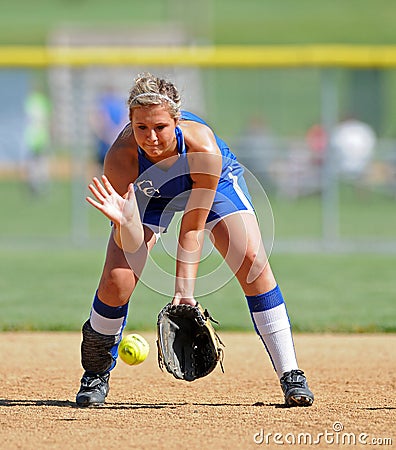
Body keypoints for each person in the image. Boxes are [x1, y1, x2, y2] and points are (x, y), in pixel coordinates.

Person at [76, 73, 314, 408]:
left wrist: (184, 293)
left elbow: (192, 227)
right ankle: (96, 374)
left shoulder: (202, 146)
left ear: (176, 120)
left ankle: (291, 374)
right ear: (130, 123)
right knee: (117, 280)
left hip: (210, 182)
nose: (151, 137)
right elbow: (131, 245)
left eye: (160, 126)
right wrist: (125, 221)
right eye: (141, 127)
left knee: (251, 260)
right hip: (151, 191)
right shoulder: (122, 158)